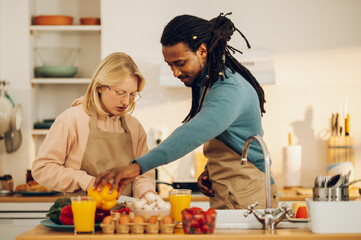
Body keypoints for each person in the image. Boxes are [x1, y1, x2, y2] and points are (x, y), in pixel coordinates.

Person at [94, 13, 279, 209]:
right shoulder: (210, 83)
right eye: (170, 65)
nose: (175, 72)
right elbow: (232, 139)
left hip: (248, 195)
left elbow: (192, 133)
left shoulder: (228, 89)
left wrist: (136, 167)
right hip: (235, 191)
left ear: (202, 50)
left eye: (180, 63)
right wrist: (212, 171)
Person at [31, 52, 155, 199]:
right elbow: (42, 168)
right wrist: (86, 181)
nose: (126, 102)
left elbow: (143, 174)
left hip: (123, 218)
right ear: (100, 87)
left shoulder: (134, 126)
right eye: (120, 93)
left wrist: (147, 194)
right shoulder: (72, 120)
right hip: (80, 217)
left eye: (132, 94)